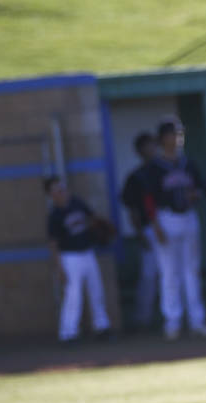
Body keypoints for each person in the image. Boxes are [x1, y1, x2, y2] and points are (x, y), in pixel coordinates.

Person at [147, 115, 206, 340]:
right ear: (163, 138)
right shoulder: (154, 167)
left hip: (188, 216)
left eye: (180, 134)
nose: (178, 138)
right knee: (169, 273)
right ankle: (172, 322)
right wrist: (155, 224)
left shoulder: (188, 163)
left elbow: (202, 188)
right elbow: (148, 199)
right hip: (166, 218)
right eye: (174, 134)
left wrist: (195, 194)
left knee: (191, 271)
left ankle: (197, 320)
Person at [44, 176, 113, 343]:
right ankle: (68, 333)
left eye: (63, 188)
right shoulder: (55, 215)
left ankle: (101, 327)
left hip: (87, 253)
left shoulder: (77, 203)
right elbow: (53, 244)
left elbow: (93, 218)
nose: (63, 192)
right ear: (51, 195)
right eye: (58, 190)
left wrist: (99, 227)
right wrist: (59, 268)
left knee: (96, 291)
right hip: (70, 257)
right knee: (73, 296)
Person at [119, 131, 159, 330]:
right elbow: (132, 209)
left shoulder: (163, 169)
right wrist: (140, 233)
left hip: (170, 224)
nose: (151, 149)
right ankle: (143, 320)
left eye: (152, 144)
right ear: (139, 151)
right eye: (146, 146)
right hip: (149, 229)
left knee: (176, 274)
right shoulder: (135, 177)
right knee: (149, 276)